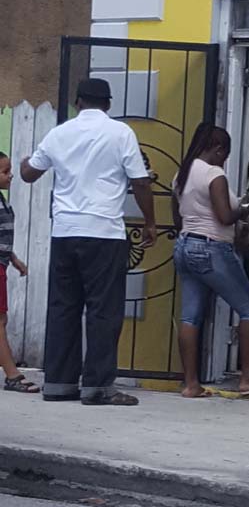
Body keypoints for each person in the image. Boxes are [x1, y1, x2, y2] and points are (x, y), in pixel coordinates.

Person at [20, 78, 156, 406]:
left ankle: (58, 383)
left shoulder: (59, 133)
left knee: (63, 307)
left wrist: (25, 161)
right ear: (107, 104)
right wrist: (150, 222)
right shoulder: (121, 133)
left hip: (65, 232)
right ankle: (97, 387)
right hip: (104, 233)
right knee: (103, 310)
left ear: (78, 102)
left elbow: (28, 174)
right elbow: (139, 181)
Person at [172, 123, 249, 397]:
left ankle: (191, 384)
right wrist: (244, 209)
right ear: (218, 149)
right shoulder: (214, 174)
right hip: (211, 248)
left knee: (189, 316)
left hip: (185, 245)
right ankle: (248, 379)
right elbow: (224, 217)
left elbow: (178, 217)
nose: (225, 159)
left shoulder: (182, 173)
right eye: (225, 153)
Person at [0, 152, 39, 394]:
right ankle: (12, 374)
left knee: (2, 320)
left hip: (2, 266)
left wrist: (14, 259)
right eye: (5, 171)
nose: (11, 175)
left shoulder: (3, 201)